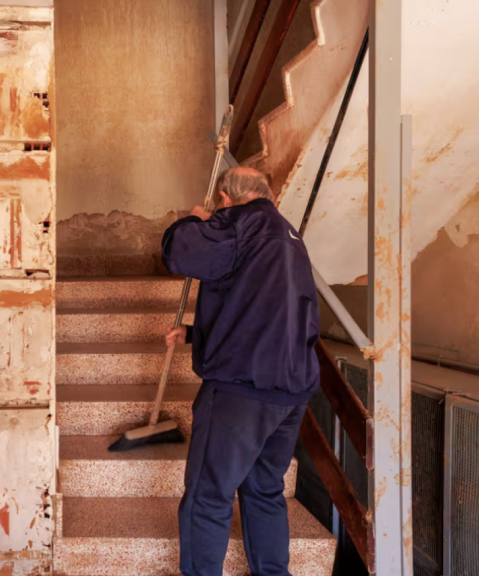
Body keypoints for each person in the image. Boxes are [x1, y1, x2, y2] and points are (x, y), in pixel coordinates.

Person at [161, 166, 320, 576]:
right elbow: (266, 309)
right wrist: (197, 333)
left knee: (207, 495)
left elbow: (179, 253)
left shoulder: (236, 223)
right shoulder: (289, 236)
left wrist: (195, 220)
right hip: (291, 392)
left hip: (242, 390)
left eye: (220, 205)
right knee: (265, 490)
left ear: (225, 198)